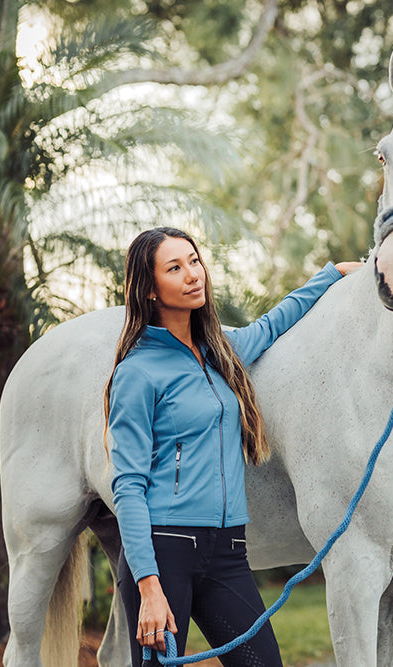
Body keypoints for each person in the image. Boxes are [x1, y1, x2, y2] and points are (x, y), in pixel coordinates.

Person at [104, 227, 361, 667]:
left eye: (194, 261)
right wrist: (148, 586)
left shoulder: (222, 351)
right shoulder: (138, 372)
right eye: (175, 268)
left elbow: (273, 323)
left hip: (227, 551)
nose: (192, 274)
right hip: (165, 551)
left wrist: (331, 274)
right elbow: (127, 485)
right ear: (149, 289)